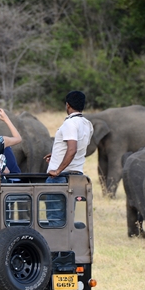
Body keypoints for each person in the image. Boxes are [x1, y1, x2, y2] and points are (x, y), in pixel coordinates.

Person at [43, 90, 93, 226]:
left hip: (60, 178)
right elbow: (79, 147)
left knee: (55, 220)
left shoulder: (70, 124)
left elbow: (72, 149)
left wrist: (57, 170)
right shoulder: (87, 124)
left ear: (68, 105)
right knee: (68, 221)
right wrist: (56, 155)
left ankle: (55, 247)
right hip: (76, 175)